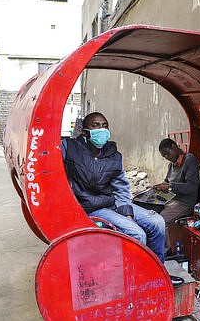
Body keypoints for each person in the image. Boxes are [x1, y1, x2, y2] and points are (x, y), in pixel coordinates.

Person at [61, 112, 166, 263]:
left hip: (112, 204)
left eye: (104, 125)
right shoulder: (70, 149)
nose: (101, 129)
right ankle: (134, 278)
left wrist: (126, 211)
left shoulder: (114, 155)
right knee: (137, 234)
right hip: (91, 207)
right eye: (95, 125)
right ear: (85, 132)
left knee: (158, 223)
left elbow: (121, 187)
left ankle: (157, 270)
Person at [153, 138, 200, 253]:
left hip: (184, 203)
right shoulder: (171, 165)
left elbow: (192, 187)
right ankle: (151, 245)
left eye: (167, 154)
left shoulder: (189, 160)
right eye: (164, 156)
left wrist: (170, 186)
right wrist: (159, 187)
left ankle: (164, 251)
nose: (167, 157)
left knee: (160, 220)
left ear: (174, 147)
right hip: (172, 199)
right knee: (148, 211)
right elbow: (167, 181)